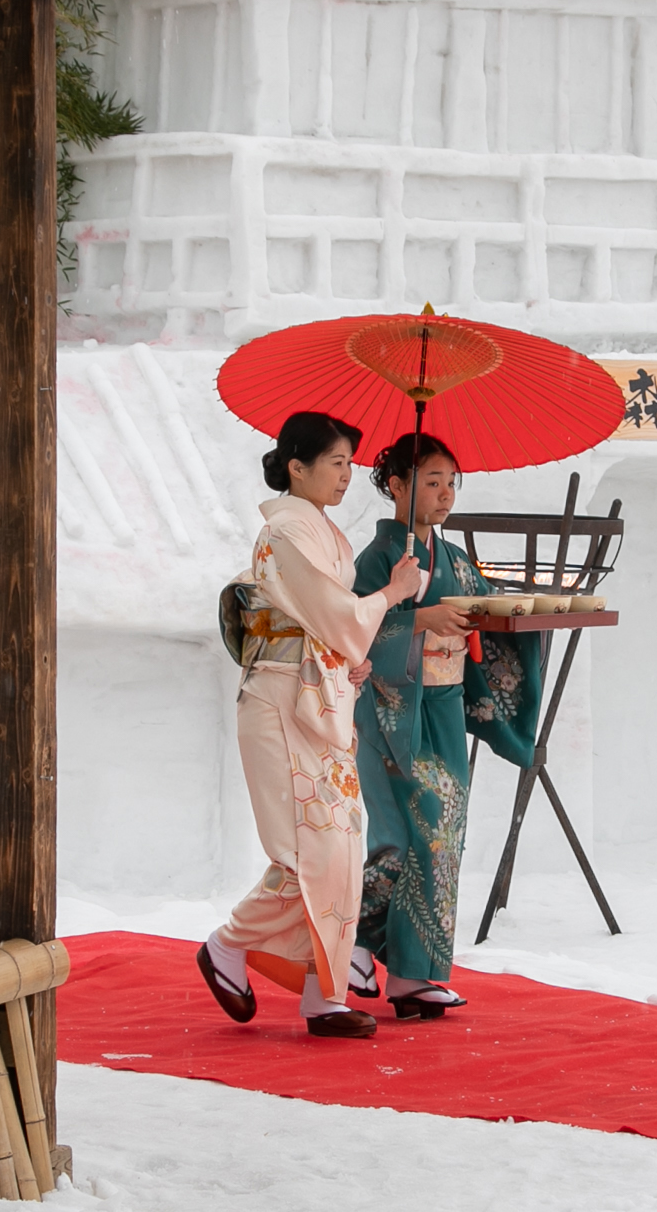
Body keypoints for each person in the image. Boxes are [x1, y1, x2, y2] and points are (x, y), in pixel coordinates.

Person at [195, 411, 428, 1040]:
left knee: (340, 849)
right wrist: (393, 593)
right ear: (295, 467)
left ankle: (322, 997)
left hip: (316, 699)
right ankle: (228, 945)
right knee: (305, 852)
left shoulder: (320, 532)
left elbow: (334, 631)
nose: (347, 475)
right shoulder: (288, 533)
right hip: (279, 703)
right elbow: (339, 617)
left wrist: (347, 662)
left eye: (351, 463)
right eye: (335, 462)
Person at [349, 432, 548, 1021]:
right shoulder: (378, 560)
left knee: (443, 838)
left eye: (451, 482)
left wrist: (520, 613)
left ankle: (415, 976)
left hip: (442, 704)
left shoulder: (456, 559)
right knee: (401, 837)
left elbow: (483, 609)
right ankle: (355, 945)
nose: (445, 494)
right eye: (431, 481)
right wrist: (417, 617)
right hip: (392, 709)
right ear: (397, 486)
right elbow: (350, 630)